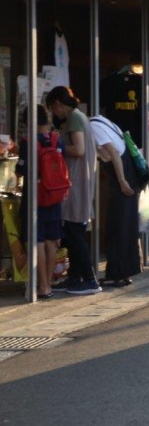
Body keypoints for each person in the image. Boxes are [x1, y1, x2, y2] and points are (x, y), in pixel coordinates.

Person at [46, 86, 101, 295]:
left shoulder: (75, 119)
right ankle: (75, 276)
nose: (54, 113)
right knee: (72, 230)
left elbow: (78, 150)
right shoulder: (78, 117)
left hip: (77, 182)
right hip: (78, 181)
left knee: (75, 232)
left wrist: (56, 146)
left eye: (53, 108)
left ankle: (89, 279)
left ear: (58, 104)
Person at [15, 105, 65, 299]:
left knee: (37, 242)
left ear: (29, 122)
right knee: (51, 242)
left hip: (34, 198)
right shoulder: (56, 139)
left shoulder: (28, 142)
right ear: (48, 120)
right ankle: (49, 285)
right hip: (54, 197)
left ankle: (42, 286)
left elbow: (21, 170)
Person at [90, 113, 142, 286]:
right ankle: (123, 271)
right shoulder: (103, 120)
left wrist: (121, 181)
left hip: (122, 172)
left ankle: (118, 272)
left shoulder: (92, 127)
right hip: (128, 169)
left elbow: (112, 152)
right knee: (126, 223)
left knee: (118, 223)